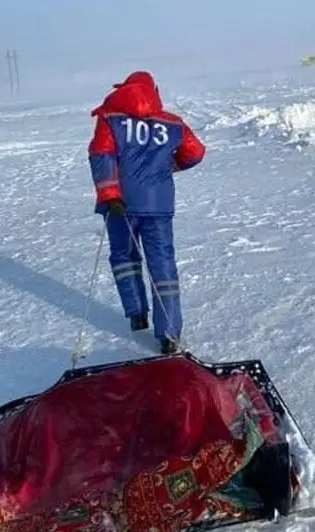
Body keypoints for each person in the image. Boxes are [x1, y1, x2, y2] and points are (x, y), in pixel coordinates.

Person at [87, 71, 205, 354]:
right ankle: (169, 335)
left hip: (121, 205)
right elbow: (195, 152)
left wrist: (109, 194)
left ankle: (137, 313)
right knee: (162, 264)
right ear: (153, 90)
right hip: (159, 205)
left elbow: (101, 155)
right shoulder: (172, 123)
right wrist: (170, 166)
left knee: (124, 258)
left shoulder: (111, 118)